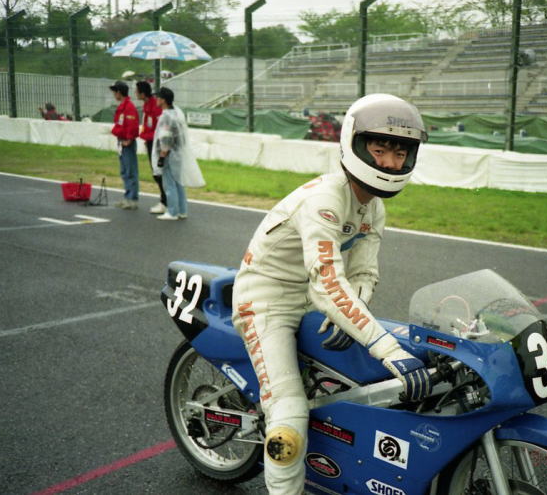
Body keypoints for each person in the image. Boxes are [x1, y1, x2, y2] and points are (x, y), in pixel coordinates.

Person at [231, 93, 432, 494]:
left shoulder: (374, 207)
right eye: (379, 150)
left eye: (400, 153)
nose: (391, 164)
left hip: (313, 299)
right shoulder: (325, 199)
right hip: (266, 301)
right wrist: (390, 350)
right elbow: (328, 284)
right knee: (289, 414)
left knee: (354, 388)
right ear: (354, 144)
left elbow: (363, 274)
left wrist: (352, 312)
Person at [152, 87, 205, 221]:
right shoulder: (176, 114)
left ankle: (172, 212)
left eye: (158, 97)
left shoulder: (166, 117)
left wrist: (162, 154)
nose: (156, 99)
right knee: (178, 182)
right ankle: (182, 210)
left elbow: (166, 137)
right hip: (178, 153)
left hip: (169, 154)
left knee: (169, 183)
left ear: (163, 100)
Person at [136, 81, 167, 215]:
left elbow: (160, 127)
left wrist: (152, 139)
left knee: (159, 174)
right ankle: (164, 201)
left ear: (143, 93)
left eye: (137, 91)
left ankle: (165, 202)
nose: (135, 94)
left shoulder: (156, 106)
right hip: (150, 141)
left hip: (157, 143)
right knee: (156, 173)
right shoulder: (147, 104)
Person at [109, 80, 140, 210]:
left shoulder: (129, 107)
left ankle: (132, 199)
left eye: (114, 91)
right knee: (124, 171)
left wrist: (130, 138)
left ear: (119, 92)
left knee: (130, 171)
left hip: (127, 142)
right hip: (122, 141)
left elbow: (133, 124)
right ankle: (127, 197)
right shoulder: (123, 106)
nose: (113, 94)